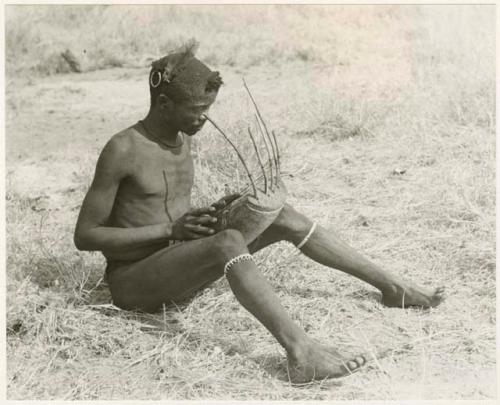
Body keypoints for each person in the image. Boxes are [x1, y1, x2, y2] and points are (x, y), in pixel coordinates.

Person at [74, 45, 444, 383]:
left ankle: (393, 288)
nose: (206, 119)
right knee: (230, 241)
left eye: (209, 109)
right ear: (165, 104)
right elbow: (86, 236)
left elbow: (163, 208)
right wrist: (172, 228)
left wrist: (211, 215)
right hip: (135, 283)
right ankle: (301, 353)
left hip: (175, 262)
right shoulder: (123, 149)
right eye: (198, 110)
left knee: (279, 213)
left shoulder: (181, 136)